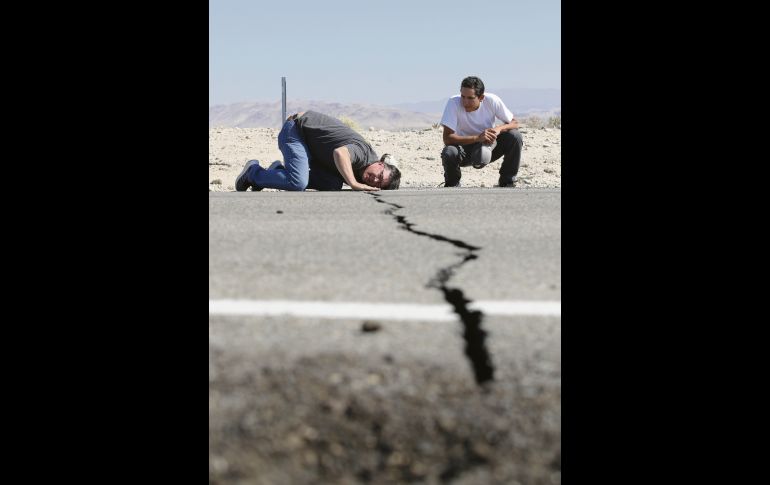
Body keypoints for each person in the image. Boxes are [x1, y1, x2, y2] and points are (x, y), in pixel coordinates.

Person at [235, 110, 401, 192]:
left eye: (378, 183)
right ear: (380, 163)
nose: (374, 180)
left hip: (314, 150)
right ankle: (253, 172)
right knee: (297, 183)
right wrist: (353, 183)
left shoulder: (366, 171)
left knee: (333, 184)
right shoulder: (362, 154)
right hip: (297, 130)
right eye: (379, 175)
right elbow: (340, 153)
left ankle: (278, 172)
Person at [439, 76, 523, 187]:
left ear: (481, 97)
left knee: (515, 136)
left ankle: (507, 181)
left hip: (489, 146)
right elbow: (447, 138)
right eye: (463, 97)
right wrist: (477, 138)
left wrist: (498, 129)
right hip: (464, 150)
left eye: (470, 98)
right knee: (449, 152)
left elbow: (515, 123)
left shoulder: (492, 100)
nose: (465, 102)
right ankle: (452, 184)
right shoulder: (453, 103)